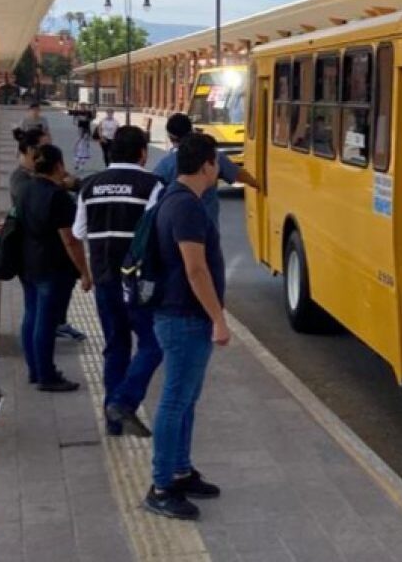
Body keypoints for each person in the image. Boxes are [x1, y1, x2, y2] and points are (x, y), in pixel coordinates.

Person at [143, 133, 229, 520]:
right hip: (183, 317)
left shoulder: (174, 198)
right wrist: (219, 319)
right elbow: (196, 269)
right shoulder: (187, 207)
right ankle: (162, 486)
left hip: (181, 316)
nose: (218, 169)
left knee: (186, 400)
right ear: (207, 165)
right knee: (175, 401)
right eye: (217, 163)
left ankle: (180, 470)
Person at [73, 126, 164, 437]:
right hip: (138, 282)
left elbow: (79, 232)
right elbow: (156, 232)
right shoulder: (152, 186)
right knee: (153, 343)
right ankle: (123, 401)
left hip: (104, 279)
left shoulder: (89, 186)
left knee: (116, 346)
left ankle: (113, 420)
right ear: (142, 153)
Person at [17, 144, 92, 392]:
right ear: (59, 165)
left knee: (31, 316)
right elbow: (70, 240)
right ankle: (47, 375)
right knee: (46, 322)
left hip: (27, 263)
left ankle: (35, 370)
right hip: (52, 266)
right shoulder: (57, 197)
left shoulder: (25, 188)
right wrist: (84, 271)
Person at [153, 113, 260, 228]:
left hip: (175, 225)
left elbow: (153, 194)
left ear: (170, 137)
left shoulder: (165, 165)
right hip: (207, 225)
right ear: (191, 130)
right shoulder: (212, 155)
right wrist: (258, 184)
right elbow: (238, 174)